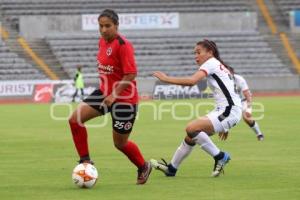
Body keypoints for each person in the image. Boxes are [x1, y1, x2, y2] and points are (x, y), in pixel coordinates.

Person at [68, 9, 151, 185]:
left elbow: (131, 74)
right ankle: (85, 161)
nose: (104, 29)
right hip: (104, 94)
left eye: (108, 26)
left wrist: (114, 95)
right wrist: (108, 93)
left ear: (116, 26)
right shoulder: (101, 42)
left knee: (120, 144)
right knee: (75, 120)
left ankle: (143, 166)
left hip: (124, 100)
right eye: (101, 26)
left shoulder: (123, 45)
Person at [151, 39, 242, 177]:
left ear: (210, 52)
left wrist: (166, 79)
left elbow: (192, 81)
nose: (196, 56)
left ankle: (220, 156)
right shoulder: (219, 65)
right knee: (190, 137)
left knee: (192, 128)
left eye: (198, 52)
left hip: (228, 110)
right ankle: (172, 168)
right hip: (227, 110)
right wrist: (225, 125)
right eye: (195, 53)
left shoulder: (211, 63)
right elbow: (231, 91)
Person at [228, 67, 264, 141]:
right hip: (232, 102)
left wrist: (249, 108)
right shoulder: (223, 80)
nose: (227, 75)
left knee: (246, 117)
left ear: (233, 73)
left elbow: (247, 94)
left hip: (243, 101)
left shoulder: (240, 80)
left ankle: (259, 134)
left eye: (229, 73)